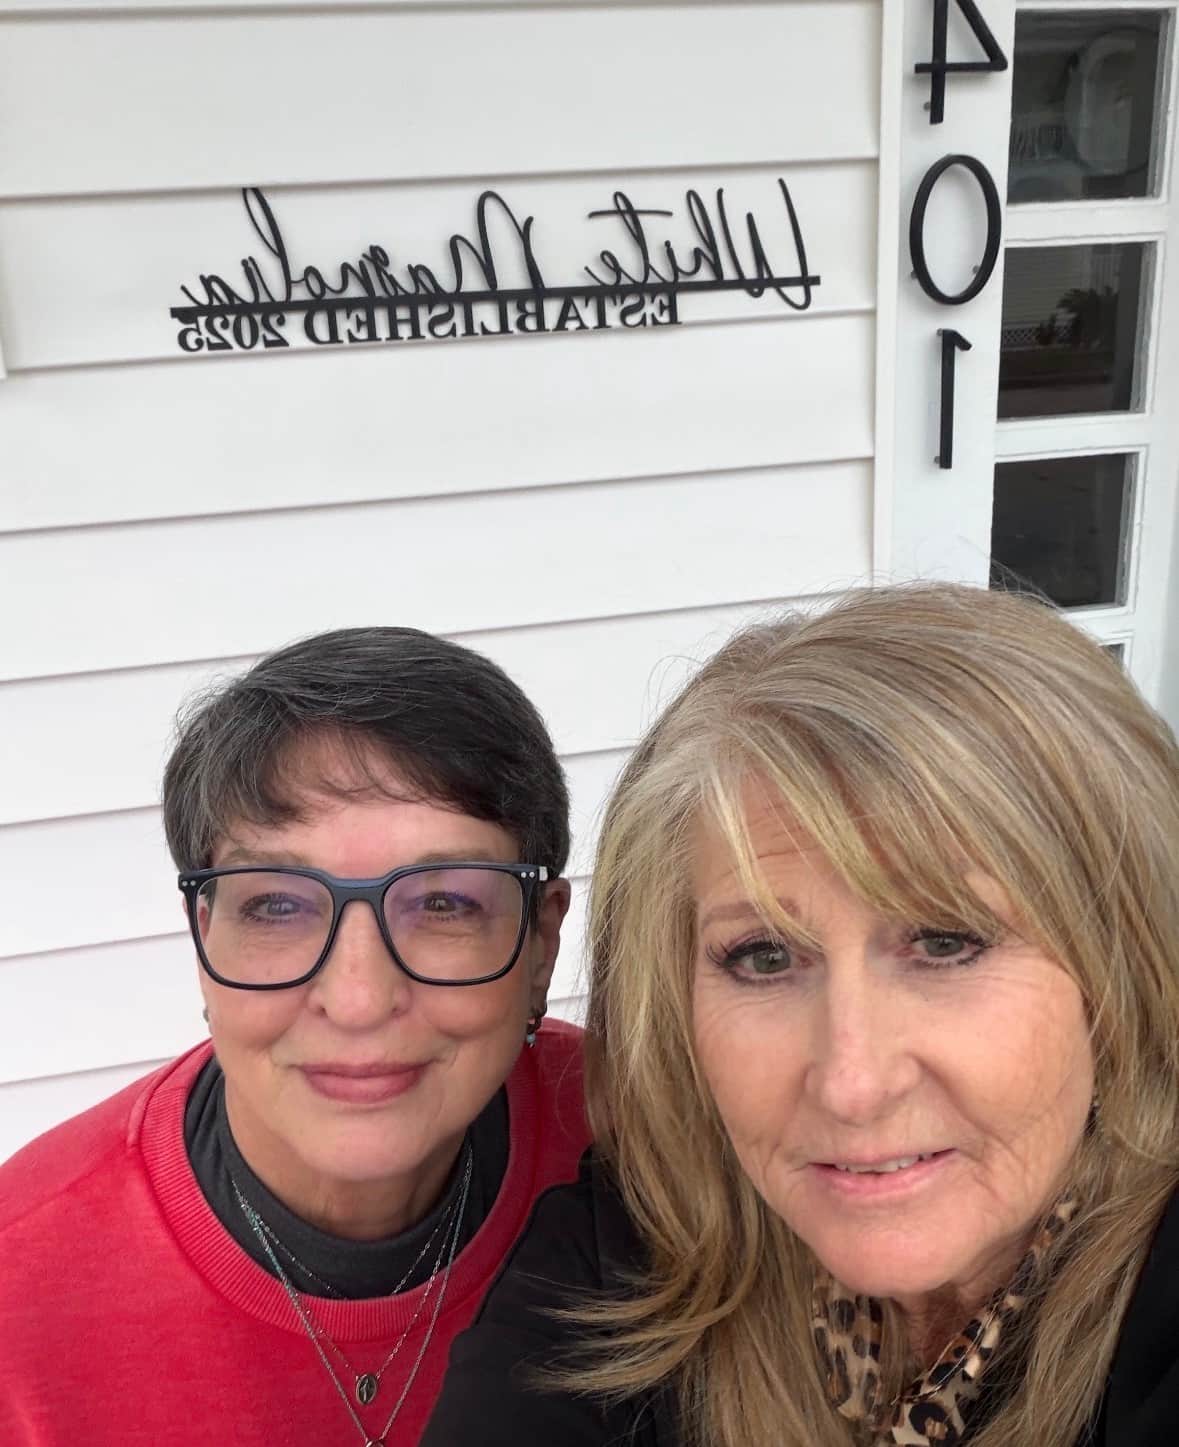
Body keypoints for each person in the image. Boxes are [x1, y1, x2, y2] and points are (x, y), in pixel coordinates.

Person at [423, 584, 1179, 1447]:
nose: (853, 1083)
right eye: (764, 957)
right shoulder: (637, 1246)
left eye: (945, 942)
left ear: (1116, 964)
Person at [0, 626, 589, 1447]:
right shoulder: (18, 1289)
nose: (356, 999)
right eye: (276, 904)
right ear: (203, 935)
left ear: (539, 944)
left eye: (446, 903)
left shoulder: (659, 1150)